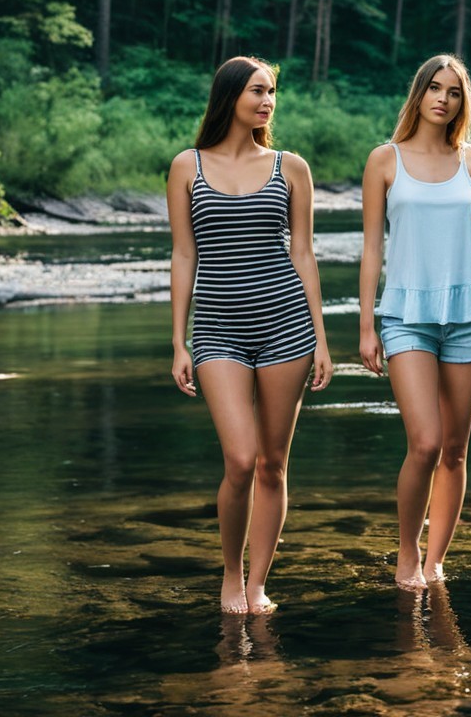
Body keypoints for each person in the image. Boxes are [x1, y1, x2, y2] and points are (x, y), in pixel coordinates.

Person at [167, 56, 332, 614]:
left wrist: (323, 338)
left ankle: (258, 583)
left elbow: (304, 253)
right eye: (258, 91)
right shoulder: (187, 166)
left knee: (272, 463)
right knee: (240, 459)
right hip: (218, 330)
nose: (267, 101)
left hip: (286, 324)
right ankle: (230, 573)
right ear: (230, 95)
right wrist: (178, 341)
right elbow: (184, 253)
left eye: (272, 92)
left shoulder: (292, 167)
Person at [359, 54, 471, 591]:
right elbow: (372, 249)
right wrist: (366, 325)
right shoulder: (384, 160)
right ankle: (407, 550)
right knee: (424, 442)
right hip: (405, 316)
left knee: (454, 447)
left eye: (454, 92)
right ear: (419, 94)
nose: (443, 99)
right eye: (435, 89)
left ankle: (436, 560)